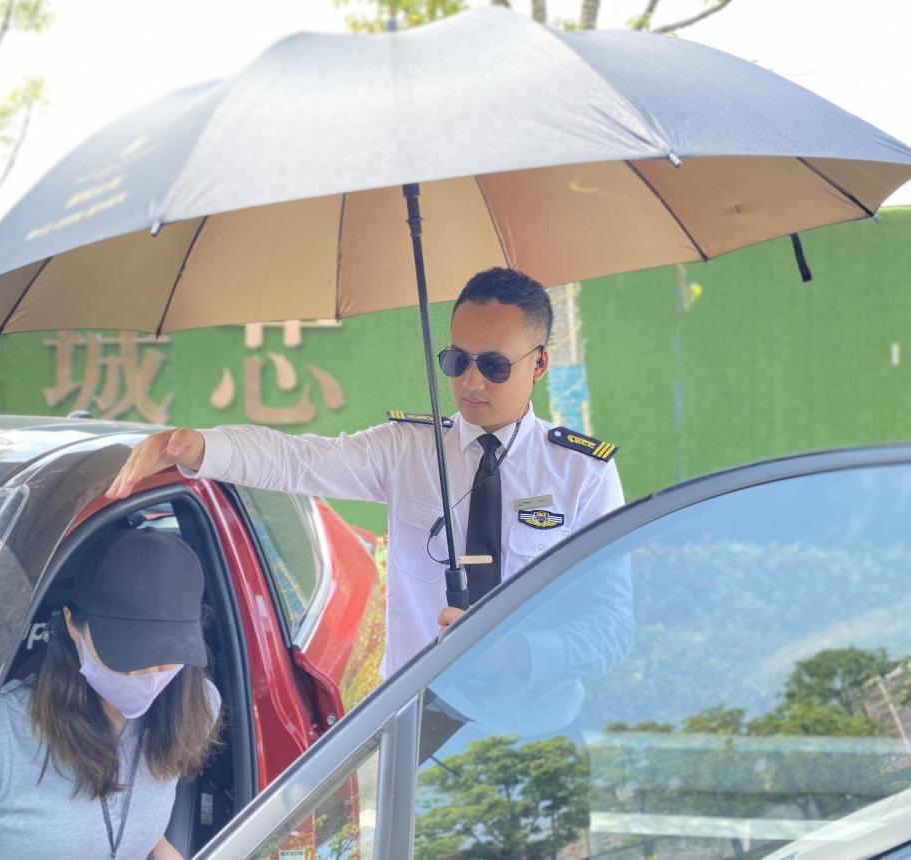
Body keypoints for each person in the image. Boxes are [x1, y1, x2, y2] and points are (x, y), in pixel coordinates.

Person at [107, 267, 627, 678]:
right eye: (456, 361)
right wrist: (198, 445)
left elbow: (612, 630)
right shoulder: (407, 449)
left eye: (493, 365)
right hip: (421, 723)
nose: (470, 381)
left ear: (539, 364)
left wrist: (515, 653)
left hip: (540, 723)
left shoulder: (582, 474)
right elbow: (300, 460)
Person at [0, 529, 221, 860]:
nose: (149, 674)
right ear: (73, 625)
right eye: (128, 656)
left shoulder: (195, 706)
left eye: (168, 653)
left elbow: (140, 827)